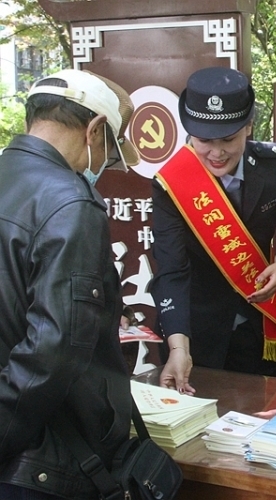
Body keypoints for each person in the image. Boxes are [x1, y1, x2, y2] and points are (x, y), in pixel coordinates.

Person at [0, 69, 140, 498]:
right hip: (41, 456)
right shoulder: (70, 202)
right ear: (94, 129)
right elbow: (54, 348)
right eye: (109, 153)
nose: (101, 166)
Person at [151, 67, 276, 395]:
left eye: (228, 139)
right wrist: (178, 347)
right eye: (204, 140)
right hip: (193, 334)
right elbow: (172, 271)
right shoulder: (172, 184)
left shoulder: (274, 166)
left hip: (257, 326)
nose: (217, 152)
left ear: (248, 127)